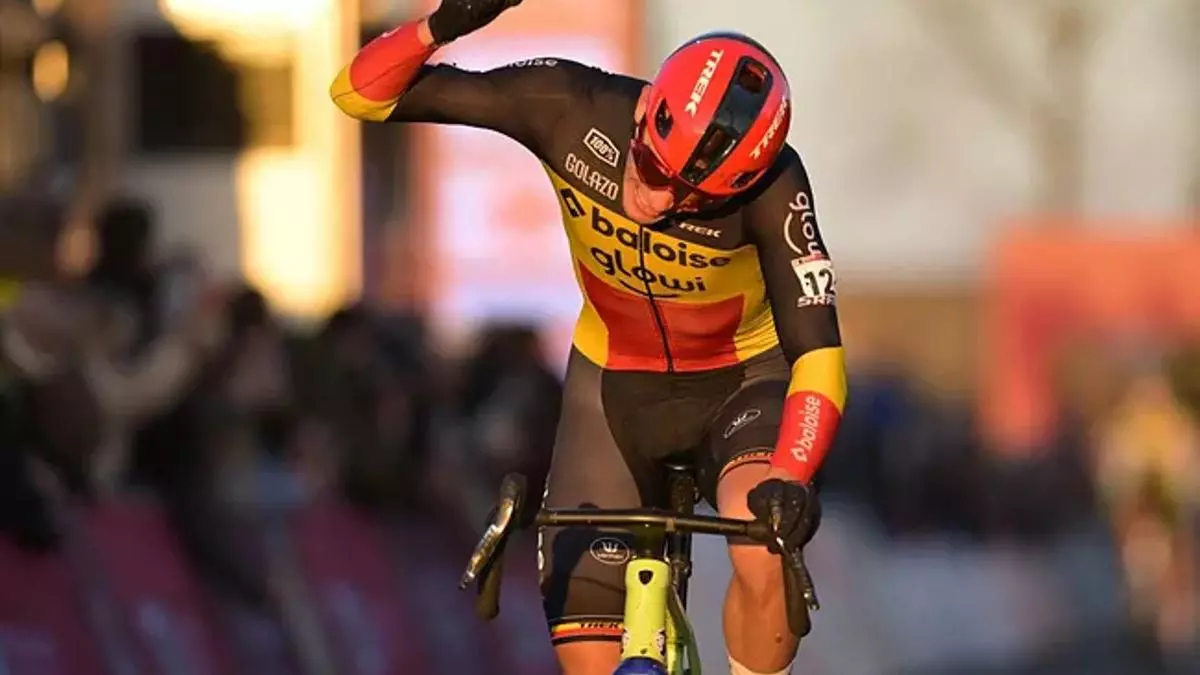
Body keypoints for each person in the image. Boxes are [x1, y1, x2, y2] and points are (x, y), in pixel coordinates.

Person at [331, 2, 846, 674]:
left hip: (743, 386)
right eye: (652, 167)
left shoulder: (778, 185)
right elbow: (357, 96)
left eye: (691, 196)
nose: (659, 201)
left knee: (761, 542)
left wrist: (789, 476)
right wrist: (440, 26)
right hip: (612, 386)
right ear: (645, 111)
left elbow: (818, 355)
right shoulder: (570, 105)